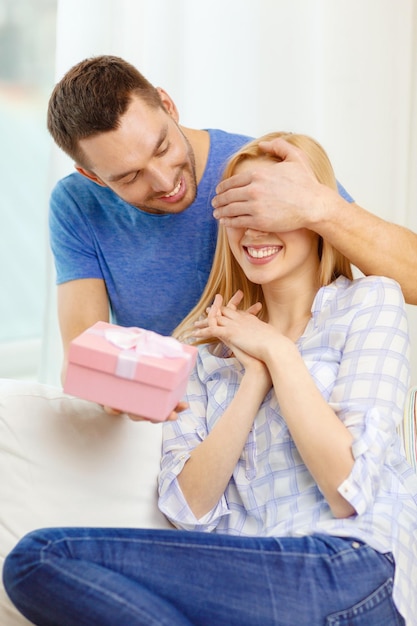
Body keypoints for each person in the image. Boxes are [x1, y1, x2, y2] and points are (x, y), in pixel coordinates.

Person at [4, 132, 417, 625]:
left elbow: (347, 489)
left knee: (45, 555)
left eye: (271, 210)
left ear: (310, 214)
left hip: (355, 569)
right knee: (36, 561)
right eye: (239, 213)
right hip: (254, 585)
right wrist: (253, 379)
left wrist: (278, 352)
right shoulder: (202, 354)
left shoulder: (368, 304)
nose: (255, 229)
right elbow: (188, 509)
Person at [46, 55, 417, 388]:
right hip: (181, 414)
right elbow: (84, 359)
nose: (164, 182)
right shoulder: (77, 203)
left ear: (168, 105)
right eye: (129, 177)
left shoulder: (257, 168)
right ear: (92, 177)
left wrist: (321, 206)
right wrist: (139, 387)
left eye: (162, 148)